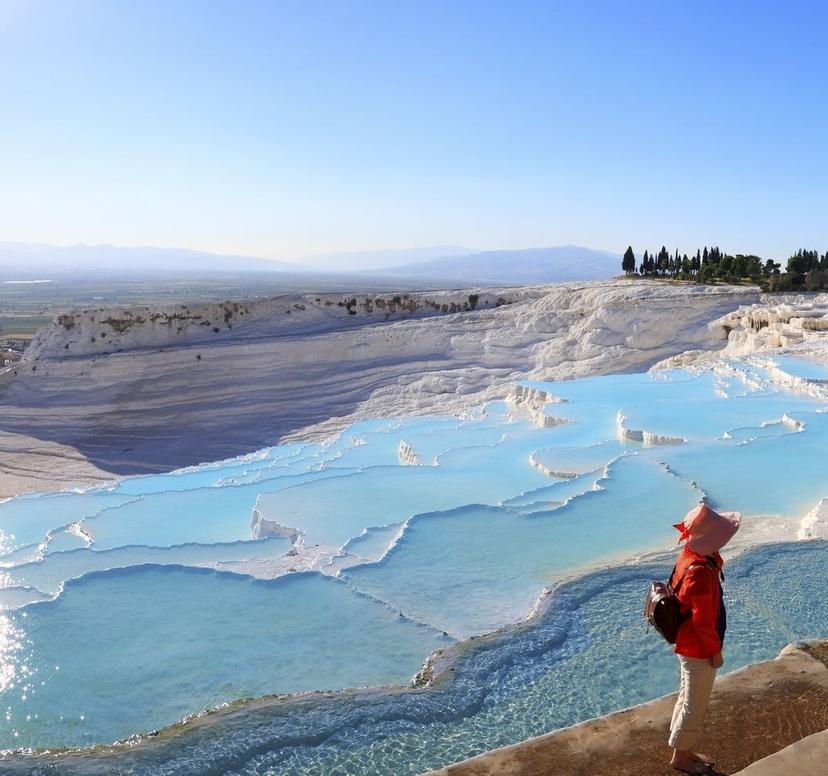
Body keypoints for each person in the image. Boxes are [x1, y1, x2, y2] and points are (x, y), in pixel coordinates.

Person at [668, 502, 741, 775]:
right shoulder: (700, 572)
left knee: (687, 697)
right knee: (694, 704)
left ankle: (681, 748)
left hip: (686, 643)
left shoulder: (690, 557)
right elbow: (703, 620)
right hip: (697, 648)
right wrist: (715, 651)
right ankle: (681, 758)